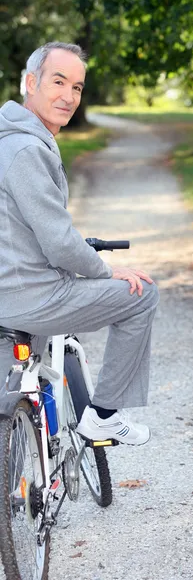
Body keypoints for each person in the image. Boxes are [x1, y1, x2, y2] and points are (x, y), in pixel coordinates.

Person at [0, 42, 159, 446]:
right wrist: (107, 270)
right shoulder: (26, 149)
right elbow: (58, 242)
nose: (69, 97)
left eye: (78, 87)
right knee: (141, 295)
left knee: (11, 397)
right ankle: (104, 416)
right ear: (31, 82)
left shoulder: (8, 139)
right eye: (58, 82)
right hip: (29, 297)